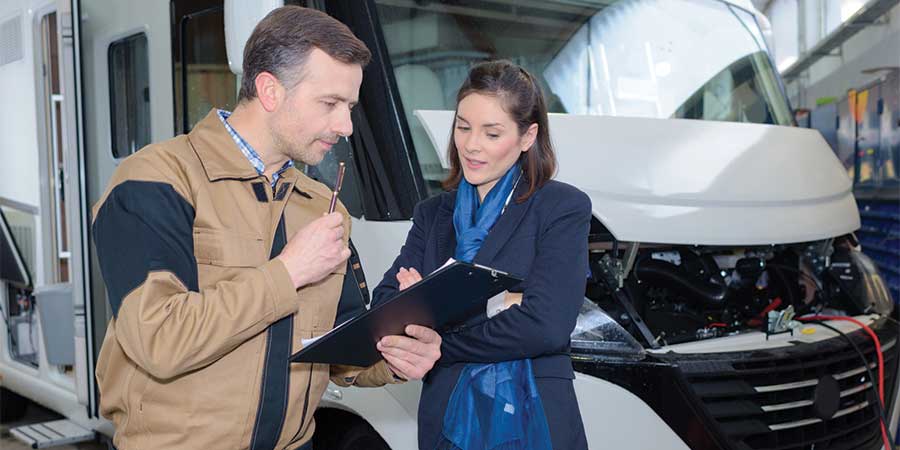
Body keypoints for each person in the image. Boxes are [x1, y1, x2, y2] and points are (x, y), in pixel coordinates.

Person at [90, 6, 440, 450]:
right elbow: (160, 340)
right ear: (270, 90)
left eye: (349, 107)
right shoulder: (155, 181)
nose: (346, 126)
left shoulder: (320, 207)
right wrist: (287, 273)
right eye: (330, 104)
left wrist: (397, 354)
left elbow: (339, 351)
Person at [372, 60, 591, 449]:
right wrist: (501, 302)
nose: (471, 145)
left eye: (492, 133)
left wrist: (434, 326)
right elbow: (385, 305)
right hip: (445, 417)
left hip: (536, 413)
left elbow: (545, 325)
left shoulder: (561, 208)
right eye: (463, 127)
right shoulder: (433, 214)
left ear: (528, 137)